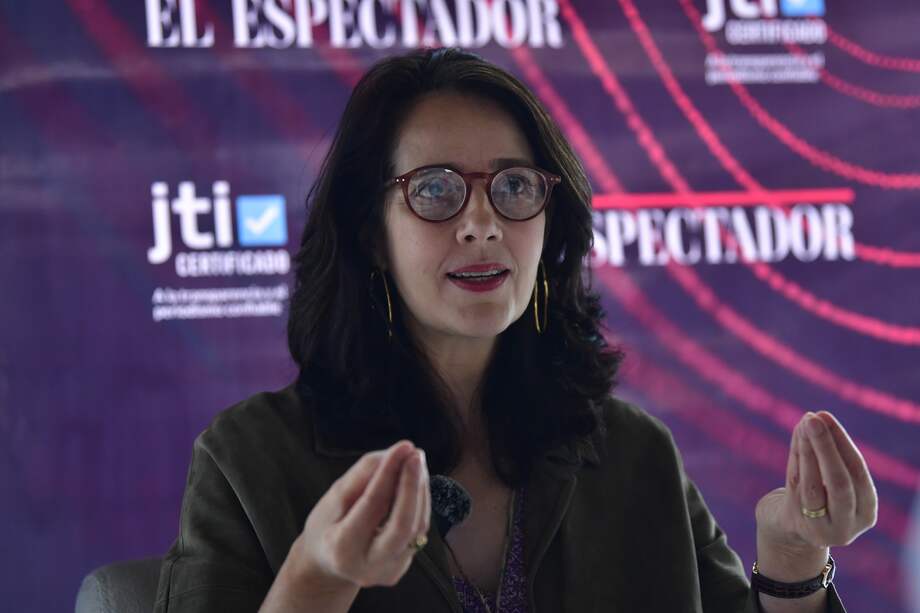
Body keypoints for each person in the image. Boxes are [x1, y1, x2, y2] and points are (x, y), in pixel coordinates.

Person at [153, 47, 877, 613]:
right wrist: (321, 573)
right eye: (434, 189)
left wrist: (791, 551)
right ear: (372, 235)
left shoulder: (631, 455)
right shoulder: (250, 462)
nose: (481, 222)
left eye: (514, 187)